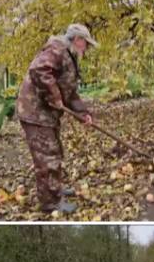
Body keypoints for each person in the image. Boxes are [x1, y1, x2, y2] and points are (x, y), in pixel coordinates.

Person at [16, 23, 98, 214]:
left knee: (55, 151)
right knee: (47, 157)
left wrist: (83, 114)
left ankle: (55, 190)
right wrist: (54, 97)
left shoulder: (68, 56)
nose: (87, 48)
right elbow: (39, 70)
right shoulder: (57, 49)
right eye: (86, 43)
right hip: (35, 112)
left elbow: (70, 93)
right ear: (78, 40)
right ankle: (50, 203)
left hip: (46, 113)